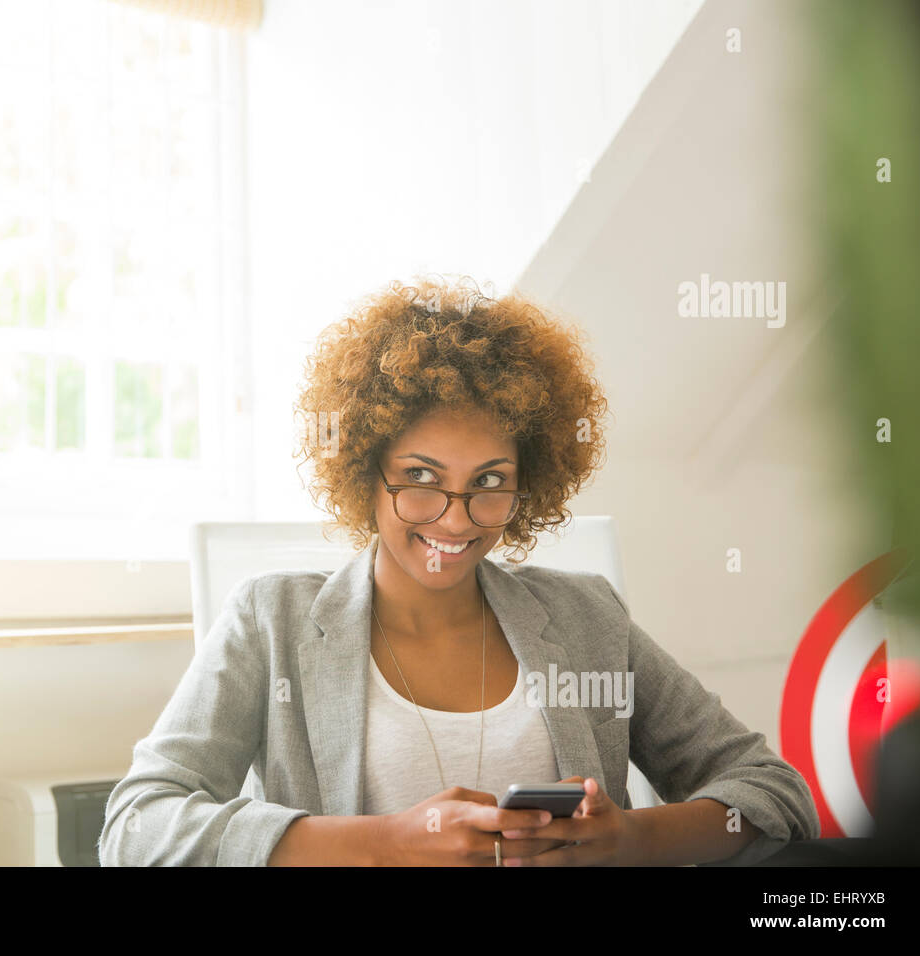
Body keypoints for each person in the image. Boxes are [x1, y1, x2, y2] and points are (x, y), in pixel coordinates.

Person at [98, 276, 819, 866]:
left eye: (490, 481)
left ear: (527, 482)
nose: (455, 518)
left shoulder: (586, 616)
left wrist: (631, 839)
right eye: (420, 476)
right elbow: (136, 827)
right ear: (365, 472)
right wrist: (383, 845)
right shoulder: (273, 621)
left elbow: (772, 792)